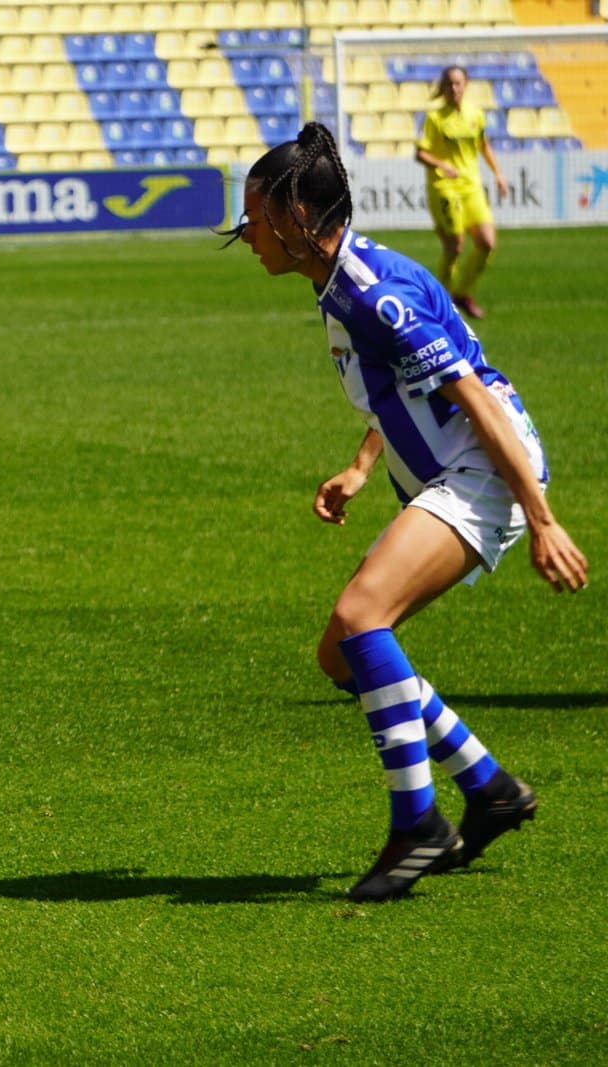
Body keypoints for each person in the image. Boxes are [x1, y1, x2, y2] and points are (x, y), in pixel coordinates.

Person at [224, 122, 587, 903]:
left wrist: (543, 516)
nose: (248, 233)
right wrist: (362, 465)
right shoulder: (341, 284)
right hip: (459, 469)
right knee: (340, 654)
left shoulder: (370, 296)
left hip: (487, 472)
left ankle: (416, 823)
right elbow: (403, 387)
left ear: (295, 216)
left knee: (362, 619)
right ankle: (488, 787)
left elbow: (476, 398)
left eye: (255, 217)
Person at [414, 65, 509, 321]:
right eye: (449, 84)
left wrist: (498, 174)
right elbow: (420, 153)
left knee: (487, 243)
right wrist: (442, 165)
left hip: (471, 186)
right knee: (455, 246)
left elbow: (483, 144)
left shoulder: (475, 115)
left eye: (458, 83)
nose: (454, 89)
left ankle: (462, 293)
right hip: (444, 188)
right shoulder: (435, 118)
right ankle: (440, 301)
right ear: (443, 88)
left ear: (466, 85)